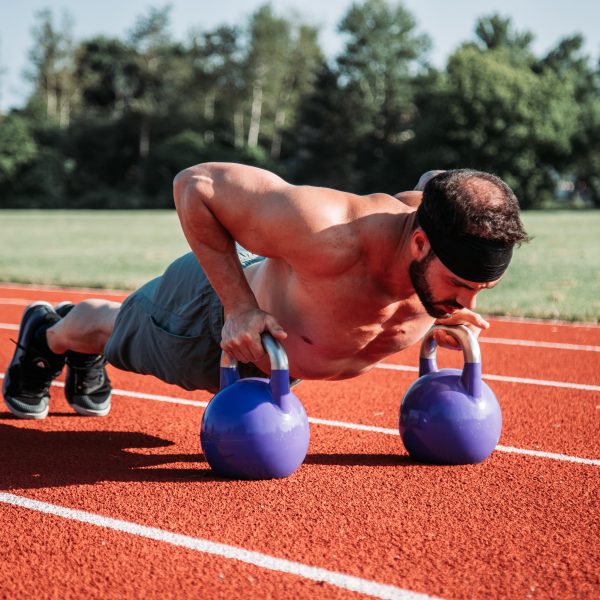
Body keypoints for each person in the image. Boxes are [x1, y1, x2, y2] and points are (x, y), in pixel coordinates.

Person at [3, 165, 529, 419]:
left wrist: (445, 303)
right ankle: (50, 334)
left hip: (279, 341)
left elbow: (439, 177)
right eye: (460, 287)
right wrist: (238, 307)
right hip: (209, 321)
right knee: (113, 328)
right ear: (418, 243)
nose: (469, 306)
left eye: (481, 290)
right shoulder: (329, 230)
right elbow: (195, 185)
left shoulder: (441, 227)